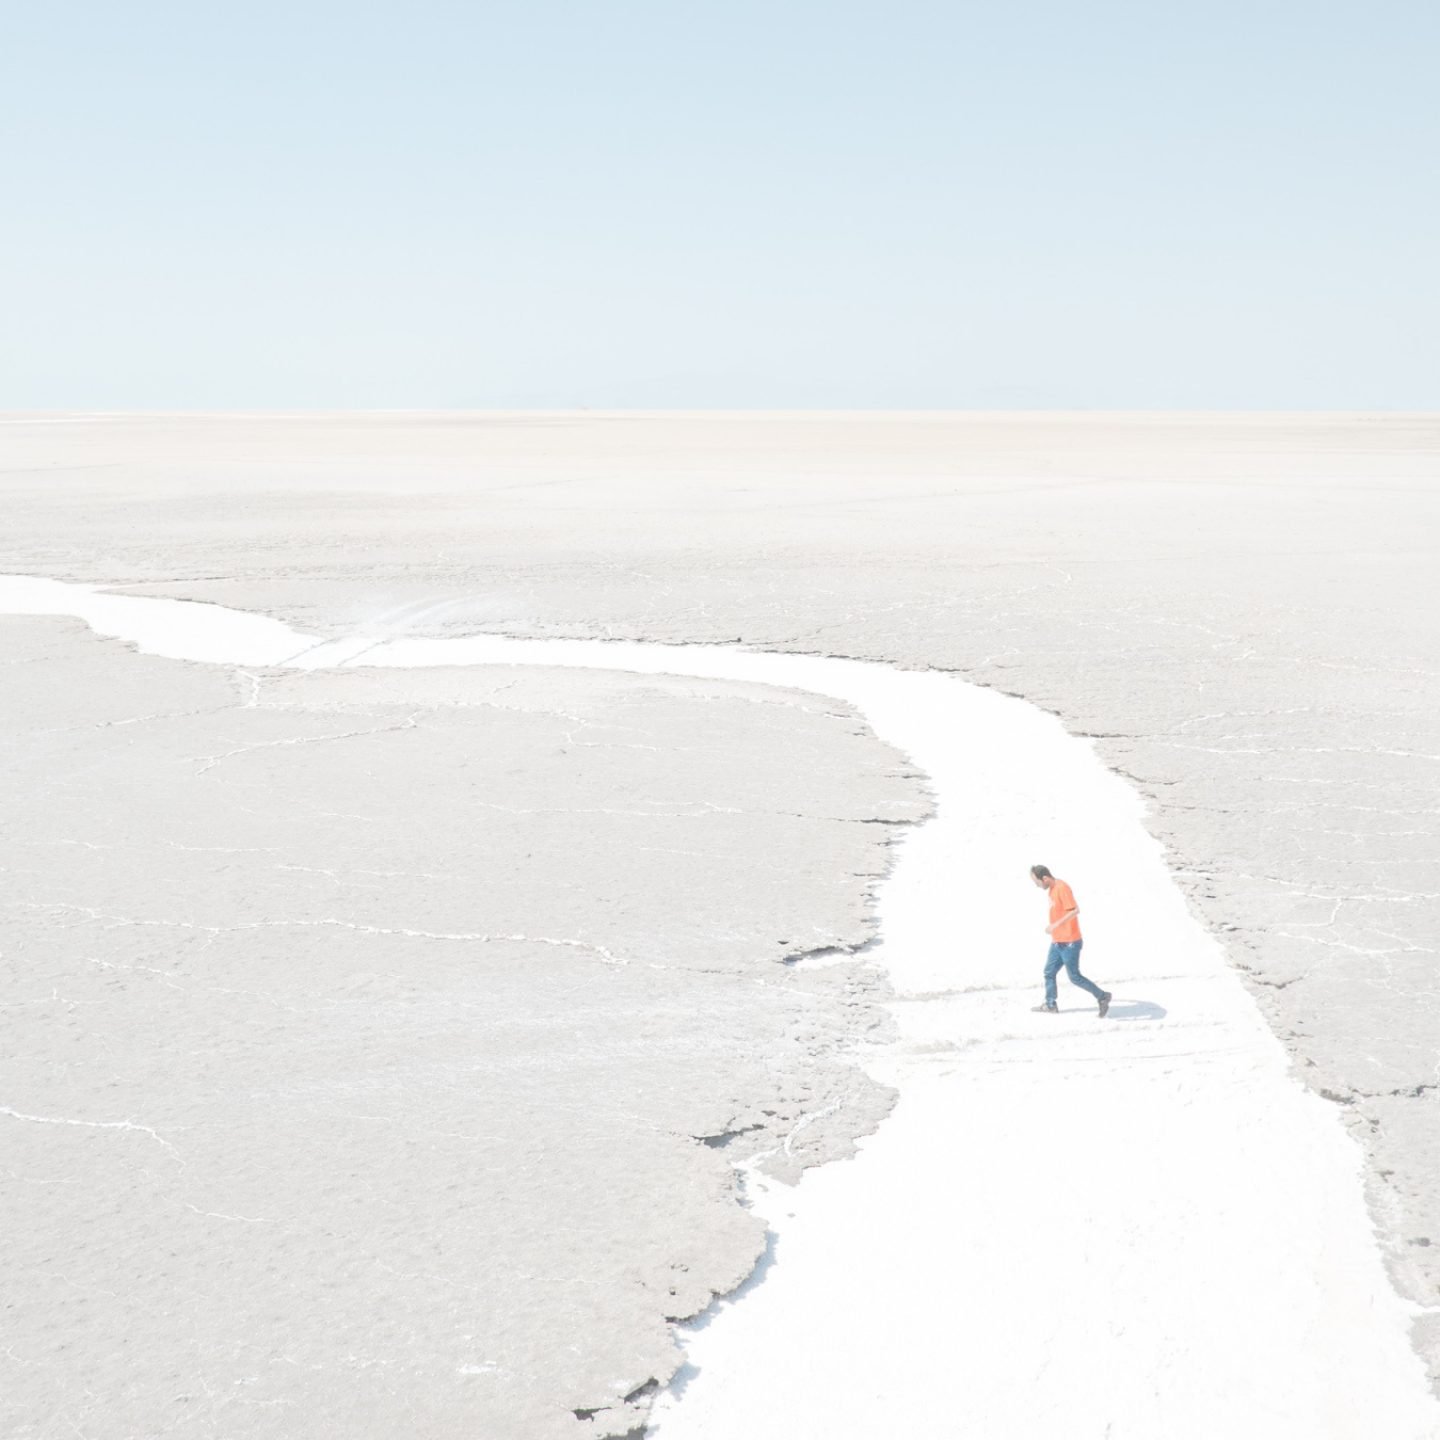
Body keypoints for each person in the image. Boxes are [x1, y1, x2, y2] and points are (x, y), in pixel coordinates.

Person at [1030, 865, 1111, 1017]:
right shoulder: (1052, 890)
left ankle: (1103, 996)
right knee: (1049, 971)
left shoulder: (1062, 888)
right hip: (1058, 941)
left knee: (1074, 977)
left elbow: (1075, 910)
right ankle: (1050, 1004)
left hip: (1070, 942)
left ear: (1045, 878)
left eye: (1037, 882)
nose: (1037, 885)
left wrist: (1054, 925)